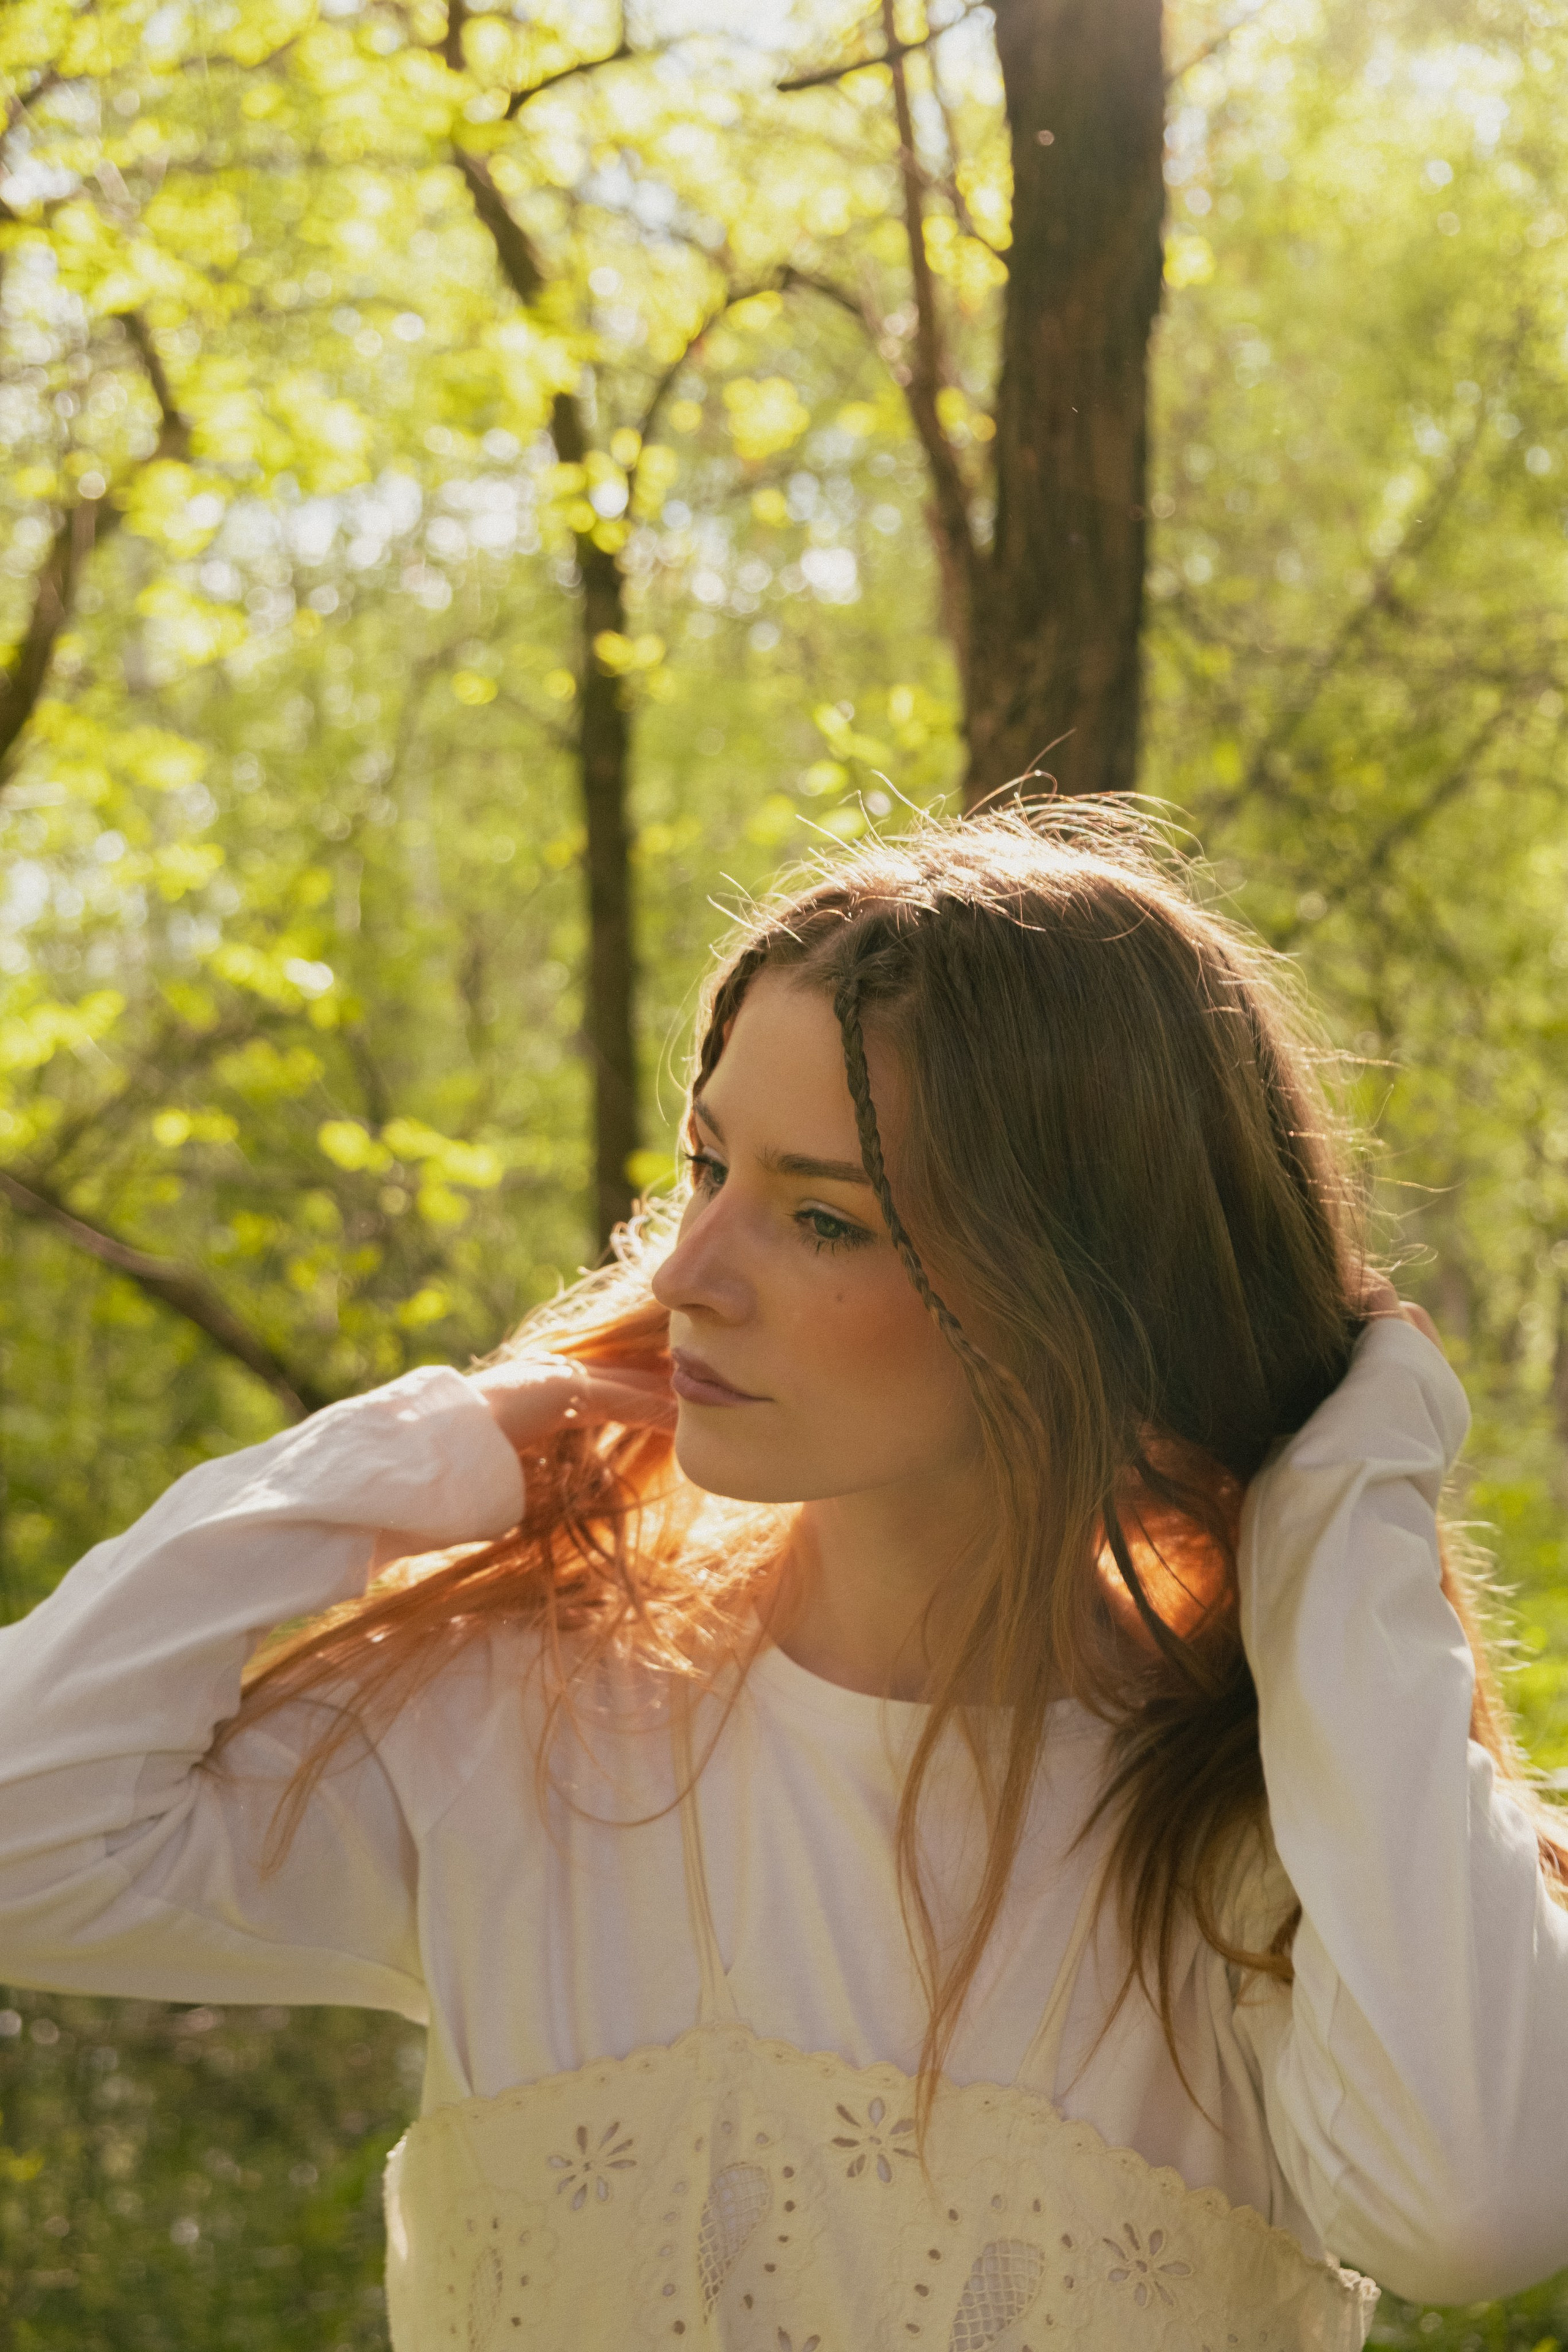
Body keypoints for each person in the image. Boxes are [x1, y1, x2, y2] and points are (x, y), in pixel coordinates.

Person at [2, 805, 1565, 2351]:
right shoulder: (523, 1724)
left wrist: (1329, 1527)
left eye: (821, 1217)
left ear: (1078, 1294)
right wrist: (423, 1451)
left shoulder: (1264, 1834)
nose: (686, 1275)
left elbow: (1473, 2210)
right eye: (705, 1168)